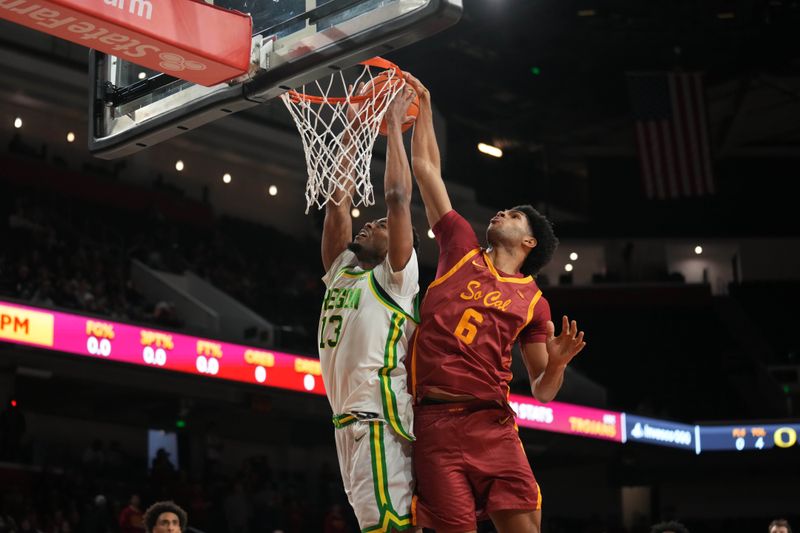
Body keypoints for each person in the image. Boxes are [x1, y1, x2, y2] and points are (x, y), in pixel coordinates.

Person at [404, 72, 587, 533]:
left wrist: (558, 364)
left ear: (528, 241)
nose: (500, 212)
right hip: (434, 422)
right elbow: (427, 170)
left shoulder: (534, 303)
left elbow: (542, 391)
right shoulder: (461, 246)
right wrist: (424, 107)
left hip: (493, 424)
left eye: (513, 214)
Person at [318, 85, 421, 532]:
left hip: (377, 420)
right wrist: (350, 136)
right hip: (347, 422)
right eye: (371, 221)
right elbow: (337, 204)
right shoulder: (342, 270)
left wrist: (394, 128)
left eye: (379, 225)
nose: (370, 222)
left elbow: (398, 198)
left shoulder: (396, 279)